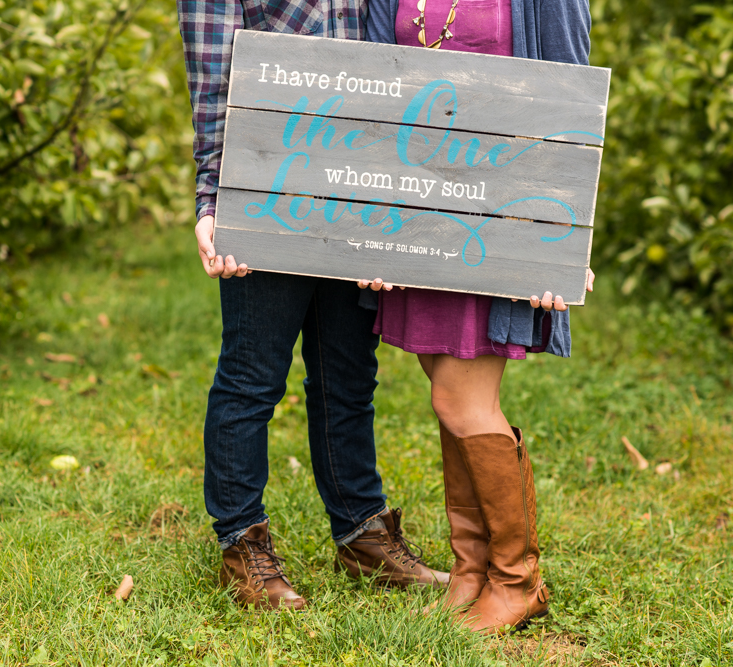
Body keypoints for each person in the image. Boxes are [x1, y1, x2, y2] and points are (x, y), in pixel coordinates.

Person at [176, 0, 449, 611]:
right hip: (269, 185)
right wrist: (215, 198)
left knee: (349, 375)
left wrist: (394, 203)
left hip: (360, 189)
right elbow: (214, 74)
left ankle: (361, 535)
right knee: (252, 377)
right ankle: (240, 546)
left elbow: (396, 65)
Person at [362, 0, 595, 633]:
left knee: (461, 401)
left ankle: (518, 581)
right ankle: (473, 569)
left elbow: (571, 102)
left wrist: (559, 246)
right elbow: (374, 94)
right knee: (444, 391)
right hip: (419, 218)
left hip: (493, 220)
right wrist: (365, 227)